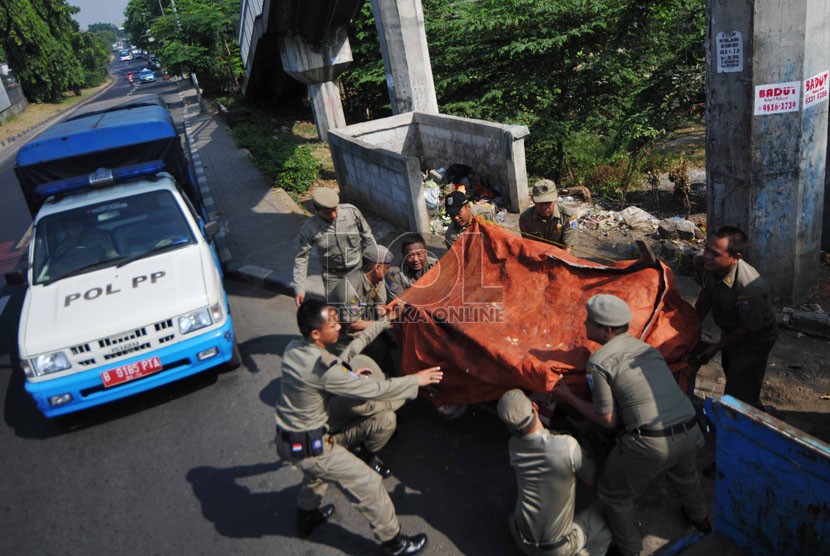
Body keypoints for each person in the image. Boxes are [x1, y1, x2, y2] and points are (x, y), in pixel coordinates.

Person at [274, 299, 443, 555]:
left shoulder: (294, 348)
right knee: (369, 485)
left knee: (316, 475)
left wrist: (386, 321)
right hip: (311, 443)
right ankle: (395, 542)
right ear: (316, 333)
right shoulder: (324, 368)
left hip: (288, 439)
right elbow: (375, 388)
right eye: (332, 323)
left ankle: (307, 516)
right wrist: (415, 380)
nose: (339, 326)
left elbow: (354, 347)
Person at [552, 294, 710, 556]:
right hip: (690, 428)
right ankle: (700, 517)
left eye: (590, 321)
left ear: (607, 330)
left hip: (651, 442)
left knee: (614, 495)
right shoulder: (648, 350)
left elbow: (607, 419)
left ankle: (629, 549)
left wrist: (567, 397)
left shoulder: (600, 362)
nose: (585, 324)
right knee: (685, 475)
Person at [498, 389, 612, 556]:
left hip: (519, 534)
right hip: (554, 550)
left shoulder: (513, 446)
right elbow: (590, 480)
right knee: (606, 521)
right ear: (535, 407)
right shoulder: (567, 446)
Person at [693, 226, 778, 409]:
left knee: (740, 387)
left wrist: (716, 347)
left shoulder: (749, 288)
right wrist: (691, 326)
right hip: (732, 327)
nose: (707, 256)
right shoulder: (704, 264)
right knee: (731, 368)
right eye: (707, 248)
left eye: (715, 253)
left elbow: (749, 328)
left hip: (756, 336)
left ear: (735, 258)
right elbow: (707, 291)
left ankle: (749, 421)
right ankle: (751, 406)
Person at [292, 188, 376, 306]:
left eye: (335, 209)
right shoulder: (309, 229)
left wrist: (374, 263)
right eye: (327, 213)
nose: (333, 215)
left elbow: (367, 236)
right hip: (333, 277)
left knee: (366, 305)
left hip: (357, 269)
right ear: (316, 210)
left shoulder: (351, 212)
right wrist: (300, 288)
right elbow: (301, 258)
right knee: (337, 313)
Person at [330, 244, 396, 370]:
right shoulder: (350, 290)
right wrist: (384, 323)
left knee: (383, 350)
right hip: (343, 336)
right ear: (377, 268)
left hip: (363, 321)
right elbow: (353, 325)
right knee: (351, 367)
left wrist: (386, 315)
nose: (388, 271)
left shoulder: (377, 278)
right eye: (386, 268)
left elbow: (380, 305)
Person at [519, 179, 579, 253]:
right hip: (536, 256)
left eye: (548, 202)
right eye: (540, 203)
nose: (544, 207)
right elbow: (528, 247)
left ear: (556, 199)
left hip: (561, 258)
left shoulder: (570, 217)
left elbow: (567, 249)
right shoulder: (525, 219)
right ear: (533, 200)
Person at [386, 233, 438, 298]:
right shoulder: (394, 274)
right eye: (410, 255)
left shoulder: (435, 265)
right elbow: (398, 302)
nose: (415, 259)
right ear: (404, 256)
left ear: (426, 253)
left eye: (419, 254)